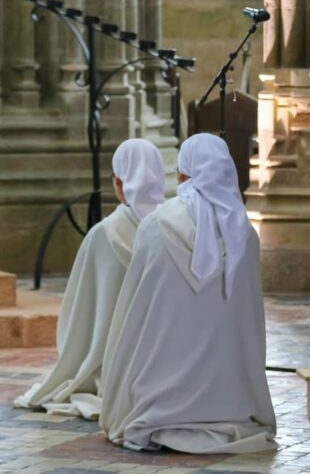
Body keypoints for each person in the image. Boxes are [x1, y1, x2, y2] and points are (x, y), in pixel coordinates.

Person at [100, 134, 276, 453]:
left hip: (156, 397)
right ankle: (219, 408)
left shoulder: (155, 225)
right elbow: (249, 324)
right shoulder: (244, 236)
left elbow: (135, 309)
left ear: (182, 174)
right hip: (231, 399)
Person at [14, 139, 166, 419]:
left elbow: (81, 306)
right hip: (165, 363)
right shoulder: (174, 228)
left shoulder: (105, 233)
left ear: (119, 182)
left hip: (113, 363)